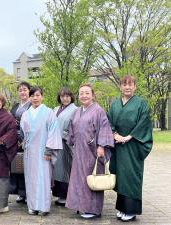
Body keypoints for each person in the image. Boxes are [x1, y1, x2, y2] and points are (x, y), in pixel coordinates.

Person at [108, 75, 153, 222]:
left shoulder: (141, 104)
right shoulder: (114, 104)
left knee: (131, 176)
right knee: (120, 176)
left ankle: (131, 210)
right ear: (120, 87)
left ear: (135, 87)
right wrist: (114, 134)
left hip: (134, 145)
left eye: (130, 84)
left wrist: (130, 136)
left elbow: (144, 122)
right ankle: (122, 208)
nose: (127, 87)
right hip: (118, 146)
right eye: (124, 84)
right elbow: (108, 121)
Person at [65, 83, 114, 219]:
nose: (84, 96)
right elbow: (71, 130)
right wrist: (71, 142)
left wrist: (101, 146)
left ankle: (93, 209)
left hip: (93, 151)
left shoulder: (99, 110)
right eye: (81, 93)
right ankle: (81, 206)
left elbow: (105, 128)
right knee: (79, 180)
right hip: (79, 151)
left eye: (87, 93)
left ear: (92, 95)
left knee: (92, 179)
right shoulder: (76, 111)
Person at [20, 87, 63, 216]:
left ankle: (44, 207)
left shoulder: (49, 112)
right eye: (32, 95)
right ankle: (32, 206)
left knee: (43, 178)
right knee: (30, 178)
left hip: (44, 151)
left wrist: (49, 150)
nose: (35, 98)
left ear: (42, 97)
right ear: (29, 98)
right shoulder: (25, 114)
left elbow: (54, 131)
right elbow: (22, 132)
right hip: (29, 152)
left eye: (37, 95)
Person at [52, 87, 77, 206]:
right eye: (62, 96)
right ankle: (59, 194)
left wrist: (63, 134)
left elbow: (75, 127)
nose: (65, 98)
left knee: (66, 169)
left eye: (67, 96)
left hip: (66, 143)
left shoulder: (75, 110)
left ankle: (66, 195)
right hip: (55, 143)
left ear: (71, 97)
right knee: (57, 169)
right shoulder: (56, 109)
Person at [9, 81, 31, 204]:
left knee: (26, 166)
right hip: (14, 139)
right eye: (20, 90)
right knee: (16, 165)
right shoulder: (15, 105)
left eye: (25, 90)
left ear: (29, 91)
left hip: (26, 138)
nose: (22, 92)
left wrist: (23, 140)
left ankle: (28, 193)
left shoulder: (32, 105)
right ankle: (19, 192)